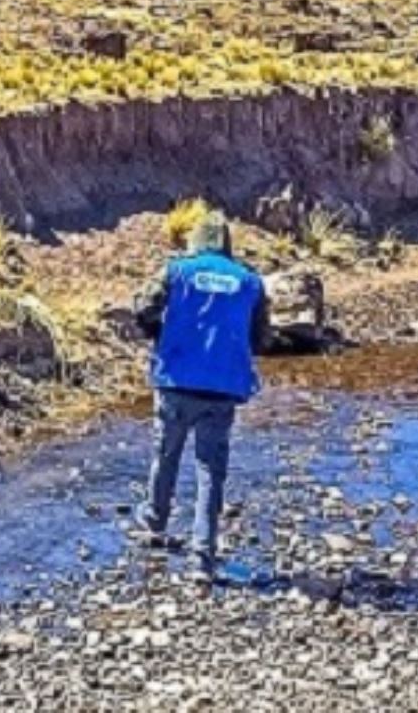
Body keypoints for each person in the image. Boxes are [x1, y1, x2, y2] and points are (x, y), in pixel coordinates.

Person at [133, 209, 269, 580]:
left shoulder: (177, 271)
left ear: (195, 240)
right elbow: (261, 337)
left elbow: (142, 308)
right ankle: (202, 558)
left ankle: (154, 524)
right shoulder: (250, 281)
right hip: (223, 387)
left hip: (176, 379)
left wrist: (158, 335)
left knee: (166, 454)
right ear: (226, 243)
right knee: (211, 471)